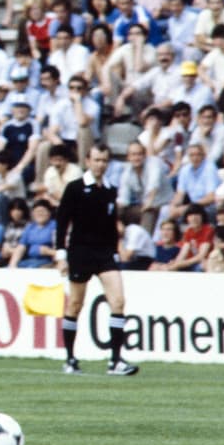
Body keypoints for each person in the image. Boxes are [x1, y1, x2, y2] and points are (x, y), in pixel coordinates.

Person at [53, 143, 139, 376]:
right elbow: (62, 223)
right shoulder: (75, 188)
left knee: (118, 301)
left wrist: (114, 250)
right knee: (75, 305)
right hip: (80, 252)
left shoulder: (110, 189)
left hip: (104, 254)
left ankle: (115, 360)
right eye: (96, 160)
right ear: (88, 161)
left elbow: (110, 225)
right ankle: (70, 358)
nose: (100, 164)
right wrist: (61, 254)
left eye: (104, 160)